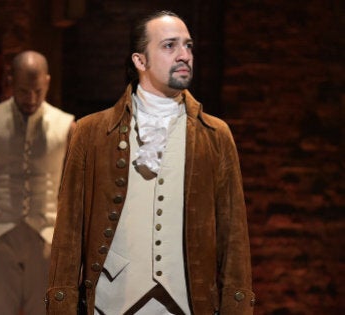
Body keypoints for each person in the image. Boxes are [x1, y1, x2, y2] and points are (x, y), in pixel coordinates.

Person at [46, 10, 254, 315]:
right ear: (140, 61)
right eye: (170, 46)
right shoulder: (91, 133)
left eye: (188, 46)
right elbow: (68, 232)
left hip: (187, 304)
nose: (184, 55)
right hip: (111, 302)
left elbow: (234, 236)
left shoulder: (216, 136)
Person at [0, 50, 76, 314]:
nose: (31, 99)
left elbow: (76, 193)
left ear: (47, 81)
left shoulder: (67, 126)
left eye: (37, 90)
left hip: (47, 238)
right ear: (10, 81)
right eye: (23, 91)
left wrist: (75, 248)